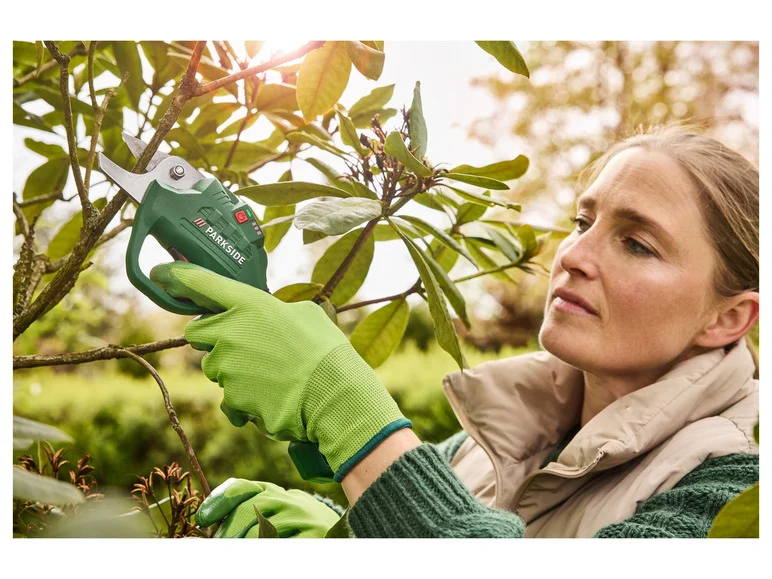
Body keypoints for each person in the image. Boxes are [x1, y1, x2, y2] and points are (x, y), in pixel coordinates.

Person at [150, 124, 759, 538]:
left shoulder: (741, 492)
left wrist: (344, 409)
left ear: (728, 318)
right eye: (582, 221)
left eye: (637, 243)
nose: (573, 255)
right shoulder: (489, 442)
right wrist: (340, 530)